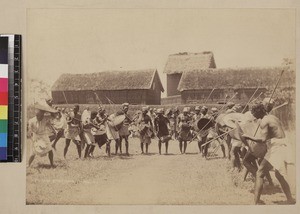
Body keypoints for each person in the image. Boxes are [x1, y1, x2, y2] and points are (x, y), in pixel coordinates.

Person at [242, 103, 295, 204]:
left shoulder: (264, 121)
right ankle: (290, 199)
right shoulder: (273, 117)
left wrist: (248, 137)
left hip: (277, 147)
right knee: (279, 175)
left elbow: (262, 139)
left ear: (259, 112)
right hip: (285, 144)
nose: (253, 115)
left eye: (254, 113)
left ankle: (256, 202)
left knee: (259, 173)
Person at [28, 102, 57, 167]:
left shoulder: (45, 118)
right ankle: (28, 164)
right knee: (33, 152)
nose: (42, 116)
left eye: (43, 114)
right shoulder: (31, 121)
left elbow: (55, 116)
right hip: (36, 136)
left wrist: (50, 110)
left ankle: (52, 164)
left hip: (44, 135)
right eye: (40, 115)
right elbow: (29, 132)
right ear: (37, 115)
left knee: (50, 150)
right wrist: (32, 139)